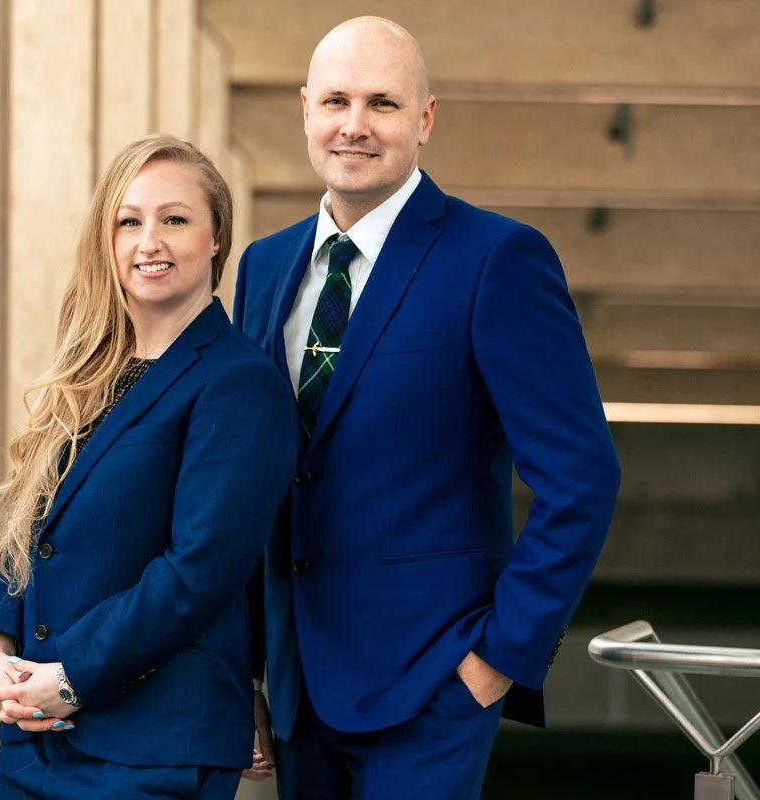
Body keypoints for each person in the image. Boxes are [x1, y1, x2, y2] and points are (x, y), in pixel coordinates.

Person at [233, 16, 622, 800]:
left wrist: (498, 660)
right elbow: (245, 486)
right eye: (336, 101)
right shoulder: (262, 266)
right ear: (304, 109)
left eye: (382, 103)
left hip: (430, 687)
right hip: (298, 687)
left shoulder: (496, 260)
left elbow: (582, 479)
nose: (354, 125)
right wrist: (242, 670)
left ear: (425, 118)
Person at [0, 134, 298, 799]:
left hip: (152, 750)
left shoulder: (239, 382)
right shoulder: (89, 375)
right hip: (38, 741)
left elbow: (197, 572)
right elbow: (35, 527)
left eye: (174, 219)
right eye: (130, 221)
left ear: (215, 239)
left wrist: (69, 677)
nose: (149, 240)